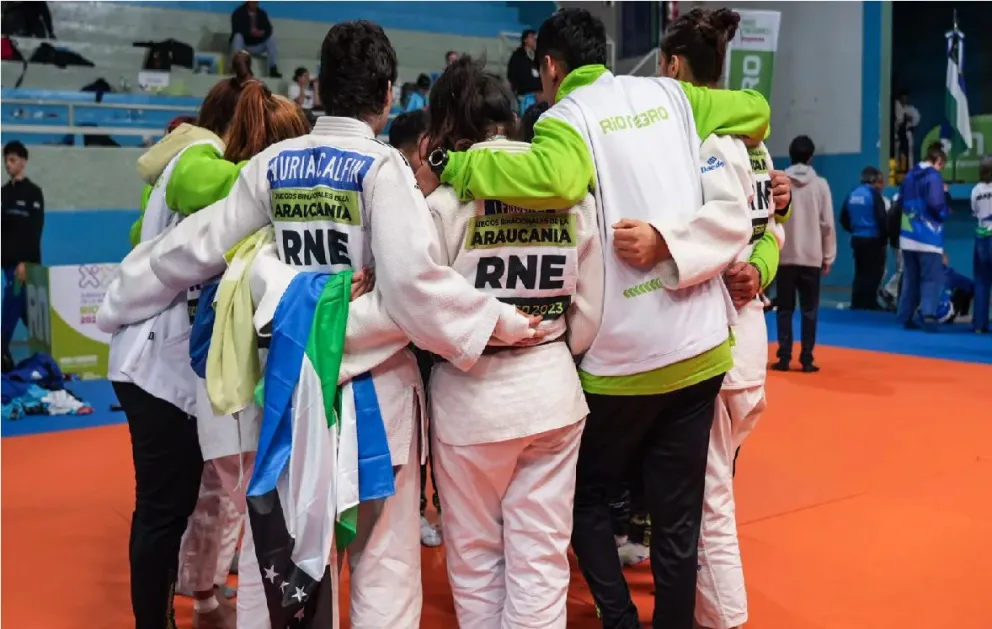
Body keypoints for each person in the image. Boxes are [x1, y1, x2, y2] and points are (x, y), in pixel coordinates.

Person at [96, 21, 541, 629]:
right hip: (373, 398)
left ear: (322, 89)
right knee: (382, 568)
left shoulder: (274, 164)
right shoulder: (382, 168)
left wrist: (123, 295)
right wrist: (499, 321)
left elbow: (197, 246)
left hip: (284, 388)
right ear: (387, 94)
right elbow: (413, 290)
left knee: (273, 565)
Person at [415, 8, 774, 628]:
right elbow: (756, 112)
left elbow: (558, 178)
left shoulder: (565, 119)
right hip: (703, 345)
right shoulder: (670, 94)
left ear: (550, 67)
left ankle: (618, 616)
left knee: (579, 502)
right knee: (680, 521)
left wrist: (460, 166)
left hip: (620, 361)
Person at [106, 54, 301, 629]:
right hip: (151, 364)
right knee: (163, 510)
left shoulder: (221, 174)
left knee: (192, 499)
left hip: (180, 366)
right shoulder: (198, 159)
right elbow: (220, 193)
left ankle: (194, 598)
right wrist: (283, 172)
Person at [423, 55, 602, 629]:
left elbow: (422, 307)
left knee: (475, 557)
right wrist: (555, 348)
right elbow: (592, 304)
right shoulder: (567, 189)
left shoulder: (446, 202)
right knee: (543, 560)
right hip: (551, 386)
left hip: (470, 399)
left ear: (448, 128)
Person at [658, 9, 791, 629]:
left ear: (675, 67)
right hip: (750, 341)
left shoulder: (704, 143)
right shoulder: (757, 145)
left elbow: (735, 231)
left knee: (708, 499)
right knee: (711, 490)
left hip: (722, 337)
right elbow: (771, 232)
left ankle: (725, 620)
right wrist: (761, 267)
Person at [773, 135, 835, 373]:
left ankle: (784, 357)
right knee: (810, 309)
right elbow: (827, 224)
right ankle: (807, 358)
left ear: (790, 155)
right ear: (811, 157)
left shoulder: (779, 182)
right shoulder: (820, 185)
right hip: (811, 257)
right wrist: (827, 256)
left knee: (784, 309)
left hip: (784, 254)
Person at [896, 142, 949, 332]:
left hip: (908, 235)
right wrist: (945, 212)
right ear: (938, 161)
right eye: (942, 165)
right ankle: (928, 314)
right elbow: (935, 203)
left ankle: (905, 315)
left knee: (910, 278)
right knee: (930, 278)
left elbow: (900, 200)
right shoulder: (934, 177)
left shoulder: (909, 176)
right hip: (929, 236)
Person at [1, 140, 43, 368]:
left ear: (23, 162)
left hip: (24, 265)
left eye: (13, 160)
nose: (8, 164)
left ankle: (1, 348)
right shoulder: (3, 194)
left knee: (12, 303)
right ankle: (48, 349)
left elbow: (34, 230)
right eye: (6, 160)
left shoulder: (33, 193)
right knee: (26, 311)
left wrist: (25, 263)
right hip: (7, 264)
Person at [840, 166, 888, 310]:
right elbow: (882, 218)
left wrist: (854, 229)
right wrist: (885, 237)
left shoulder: (852, 194)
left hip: (857, 239)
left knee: (860, 271)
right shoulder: (873, 195)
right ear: (873, 179)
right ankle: (869, 302)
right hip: (873, 239)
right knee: (873, 272)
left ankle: (857, 301)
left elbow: (843, 218)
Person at [230, 1, 280, 78]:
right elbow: (236, 29)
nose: (254, 3)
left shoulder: (262, 13)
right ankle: (237, 67)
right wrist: (250, 32)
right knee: (237, 37)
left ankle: (272, 68)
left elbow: (269, 29)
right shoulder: (238, 13)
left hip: (257, 45)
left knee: (271, 39)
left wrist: (261, 33)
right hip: (244, 45)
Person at [971, 156, 992, 333]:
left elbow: (975, 212)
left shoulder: (976, 190)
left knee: (981, 281)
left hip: (981, 237)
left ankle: (979, 324)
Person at [507, 29, 542, 104]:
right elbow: (512, 74)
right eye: (532, 37)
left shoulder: (539, 56)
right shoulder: (517, 56)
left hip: (540, 94)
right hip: (524, 94)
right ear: (525, 40)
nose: (535, 39)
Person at [893, 90, 920, 176]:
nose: (904, 99)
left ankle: (910, 172)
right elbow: (897, 120)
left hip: (907, 133)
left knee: (909, 154)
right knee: (897, 153)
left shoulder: (911, 109)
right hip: (898, 134)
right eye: (902, 97)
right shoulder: (897, 107)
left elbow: (917, 119)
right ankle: (896, 172)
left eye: (905, 97)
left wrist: (910, 121)